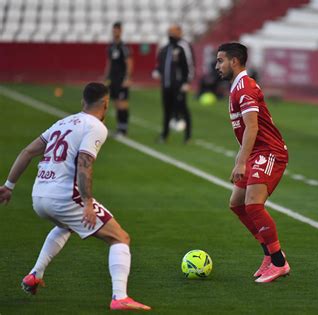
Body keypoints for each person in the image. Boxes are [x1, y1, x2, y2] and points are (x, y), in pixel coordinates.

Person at [0, 83, 150, 311]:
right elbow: (84, 163)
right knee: (120, 238)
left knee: (65, 225)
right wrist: (88, 203)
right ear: (106, 104)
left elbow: (27, 152)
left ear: (83, 102)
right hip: (63, 196)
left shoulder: (62, 122)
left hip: (39, 195)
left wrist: (9, 185)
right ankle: (120, 297)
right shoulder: (96, 126)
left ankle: (34, 274)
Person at [215, 43, 290, 283]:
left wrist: (240, 161)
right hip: (257, 152)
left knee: (253, 205)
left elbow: (253, 126)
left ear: (234, 61)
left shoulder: (245, 88)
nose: (217, 66)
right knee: (237, 204)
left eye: (220, 61)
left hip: (269, 152)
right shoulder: (237, 87)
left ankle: (279, 262)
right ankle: (269, 255)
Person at [153, 24, 193, 143]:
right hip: (166, 85)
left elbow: (188, 66)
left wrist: (186, 82)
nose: (170, 34)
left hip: (178, 85)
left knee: (182, 109)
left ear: (179, 32)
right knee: (167, 110)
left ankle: (188, 135)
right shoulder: (165, 49)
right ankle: (164, 135)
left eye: (173, 32)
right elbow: (160, 64)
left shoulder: (182, 47)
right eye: (169, 32)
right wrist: (157, 71)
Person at [103, 22, 133, 136]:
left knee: (122, 104)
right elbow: (109, 62)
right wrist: (106, 76)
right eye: (114, 30)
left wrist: (127, 78)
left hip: (121, 79)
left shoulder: (124, 47)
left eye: (117, 30)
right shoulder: (111, 46)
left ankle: (123, 129)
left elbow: (129, 62)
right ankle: (119, 127)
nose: (115, 32)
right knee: (114, 103)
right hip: (112, 79)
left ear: (121, 31)